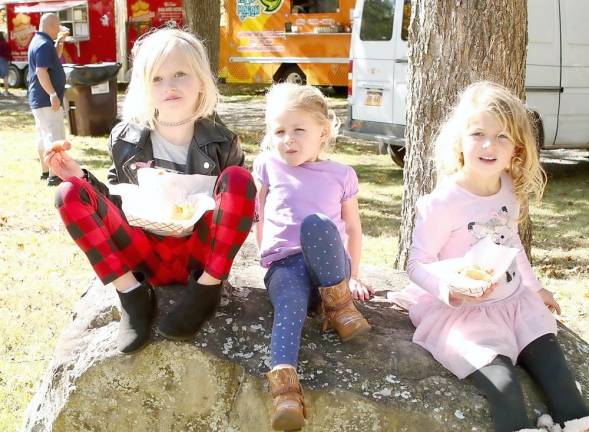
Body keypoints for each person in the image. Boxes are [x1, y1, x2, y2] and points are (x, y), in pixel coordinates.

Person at [389, 81, 589, 432]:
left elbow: (510, 243)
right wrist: (449, 291)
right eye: (478, 133)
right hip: (465, 317)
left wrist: (534, 287)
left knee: (561, 382)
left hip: (515, 305)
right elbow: (417, 263)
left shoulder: (508, 188)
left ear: (517, 148)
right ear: (460, 141)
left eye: (502, 137)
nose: (488, 145)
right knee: (505, 387)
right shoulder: (442, 203)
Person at [44, 28, 256, 354]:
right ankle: (132, 295)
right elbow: (119, 199)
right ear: (144, 87)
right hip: (143, 251)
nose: (168, 86)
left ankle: (206, 292)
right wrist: (80, 176)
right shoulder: (125, 138)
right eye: (156, 78)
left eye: (180, 74)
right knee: (69, 193)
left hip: (198, 255)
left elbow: (237, 211)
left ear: (201, 80)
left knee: (240, 179)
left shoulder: (223, 141)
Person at [254, 83, 373, 431]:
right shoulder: (268, 166)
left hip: (329, 267)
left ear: (323, 132)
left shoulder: (341, 174)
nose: (287, 139)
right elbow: (257, 213)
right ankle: (286, 394)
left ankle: (339, 306)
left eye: (298, 130)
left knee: (318, 225)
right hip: (286, 265)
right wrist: (266, 256)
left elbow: (352, 227)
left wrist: (353, 276)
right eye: (279, 131)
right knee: (289, 305)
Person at [28, 13, 68, 186]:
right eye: (58, 25)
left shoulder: (39, 41)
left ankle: (45, 172)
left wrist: (60, 41)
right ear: (51, 25)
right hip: (47, 99)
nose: (59, 28)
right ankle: (55, 175)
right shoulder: (44, 45)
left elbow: (54, 58)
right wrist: (53, 94)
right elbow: (41, 71)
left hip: (38, 99)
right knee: (55, 137)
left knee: (43, 135)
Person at [0, 31, 12, 96]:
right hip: (4, 60)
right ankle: (6, 92)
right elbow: (9, 51)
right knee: (5, 76)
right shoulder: (5, 43)